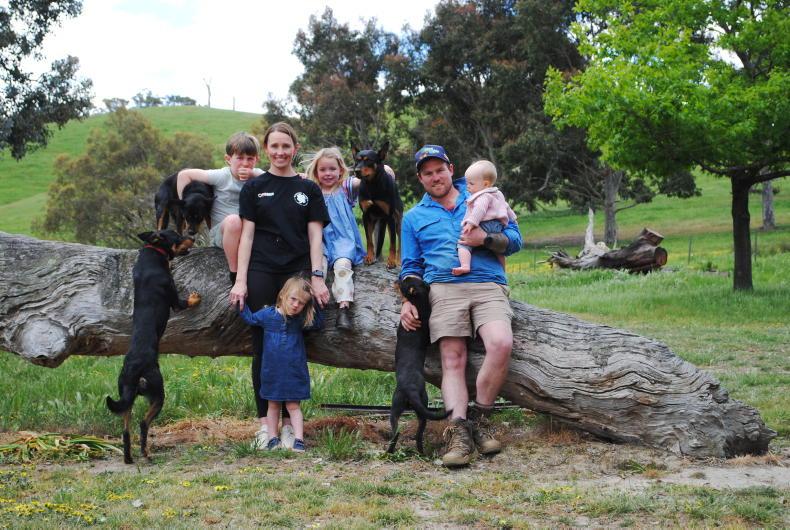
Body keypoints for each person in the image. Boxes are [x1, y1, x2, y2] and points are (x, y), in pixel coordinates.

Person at [400, 145, 522, 468]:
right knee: (453, 358)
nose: (435, 176)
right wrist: (407, 300)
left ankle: (479, 418)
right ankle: (458, 433)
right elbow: (409, 266)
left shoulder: (484, 194)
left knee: (501, 343)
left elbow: (516, 239)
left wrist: (485, 240)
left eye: (439, 169)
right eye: (427, 172)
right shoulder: (414, 218)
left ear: (450, 168)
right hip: (443, 288)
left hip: (488, 283)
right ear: (420, 178)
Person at [230, 122, 330, 450]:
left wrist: (316, 276)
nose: (280, 152)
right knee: (263, 347)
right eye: (274, 146)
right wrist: (241, 280)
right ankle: (266, 426)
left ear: (295, 149)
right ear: (267, 150)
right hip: (261, 269)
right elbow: (245, 236)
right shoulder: (255, 187)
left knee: (294, 346)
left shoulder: (309, 190)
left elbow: (315, 236)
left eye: (286, 146)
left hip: (295, 270)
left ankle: (290, 426)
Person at [238, 276, 324, 452]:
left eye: (301, 303)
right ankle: (272, 438)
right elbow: (250, 319)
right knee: (273, 405)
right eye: (293, 299)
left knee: (294, 406)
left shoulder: (300, 320)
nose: (295, 305)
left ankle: (298, 440)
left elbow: (318, 324)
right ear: (283, 295)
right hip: (272, 370)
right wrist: (240, 302)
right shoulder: (267, 315)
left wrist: (316, 299)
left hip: (294, 370)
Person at [177, 132, 263, 285]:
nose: (245, 163)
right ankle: (234, 273)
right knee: (234, 221)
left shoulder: (259, 177)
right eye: (239, 158)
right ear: (228, 159)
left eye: (250, 159)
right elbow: (184, 175)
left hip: (249, 234)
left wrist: (299, 177)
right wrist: (184, 206)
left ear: (257, 159)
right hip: (223, 233)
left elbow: (281, 181)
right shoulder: (222, 176)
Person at [304, 147, 366, 330]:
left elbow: (363, 180)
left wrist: (384, 169)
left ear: (341, 170)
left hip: (343, 242)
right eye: (323, 170)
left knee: (343, 267)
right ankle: (315, 309)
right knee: (318, 269)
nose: (328, 173)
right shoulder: (312, 189)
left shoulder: (346, 188)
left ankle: (343, 309)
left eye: (332, 169)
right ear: (316, 171)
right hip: (320, 242)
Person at [452, 160, 517, 276]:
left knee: (463, 243)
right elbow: (506, 207)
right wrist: (513, 219)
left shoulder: (483, 196)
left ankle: (465, 266)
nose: (467, 187)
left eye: (471, 184)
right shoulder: (497, 194)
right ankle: (502, 271)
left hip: (484, 224)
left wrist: (471, 223)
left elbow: (479, 210)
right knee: (498, 250)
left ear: (486, 184)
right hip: (498, 226)